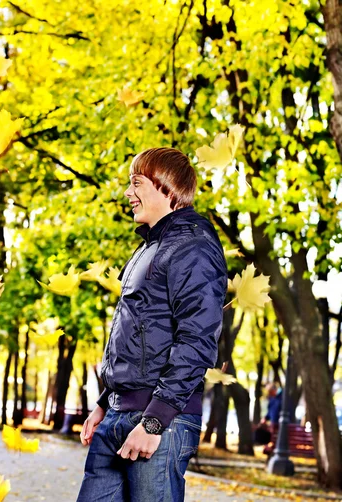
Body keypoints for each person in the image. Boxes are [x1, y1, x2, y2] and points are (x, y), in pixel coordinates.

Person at [77, 148, 228, 502]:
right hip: (119, 416)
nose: (128, 194)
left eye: (136, 183)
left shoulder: (195, 247)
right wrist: (105, 401)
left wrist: (154, 422)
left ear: (167, 187)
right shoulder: (148, 248)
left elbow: (196, 342)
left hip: (160, 422)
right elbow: (139, 335)